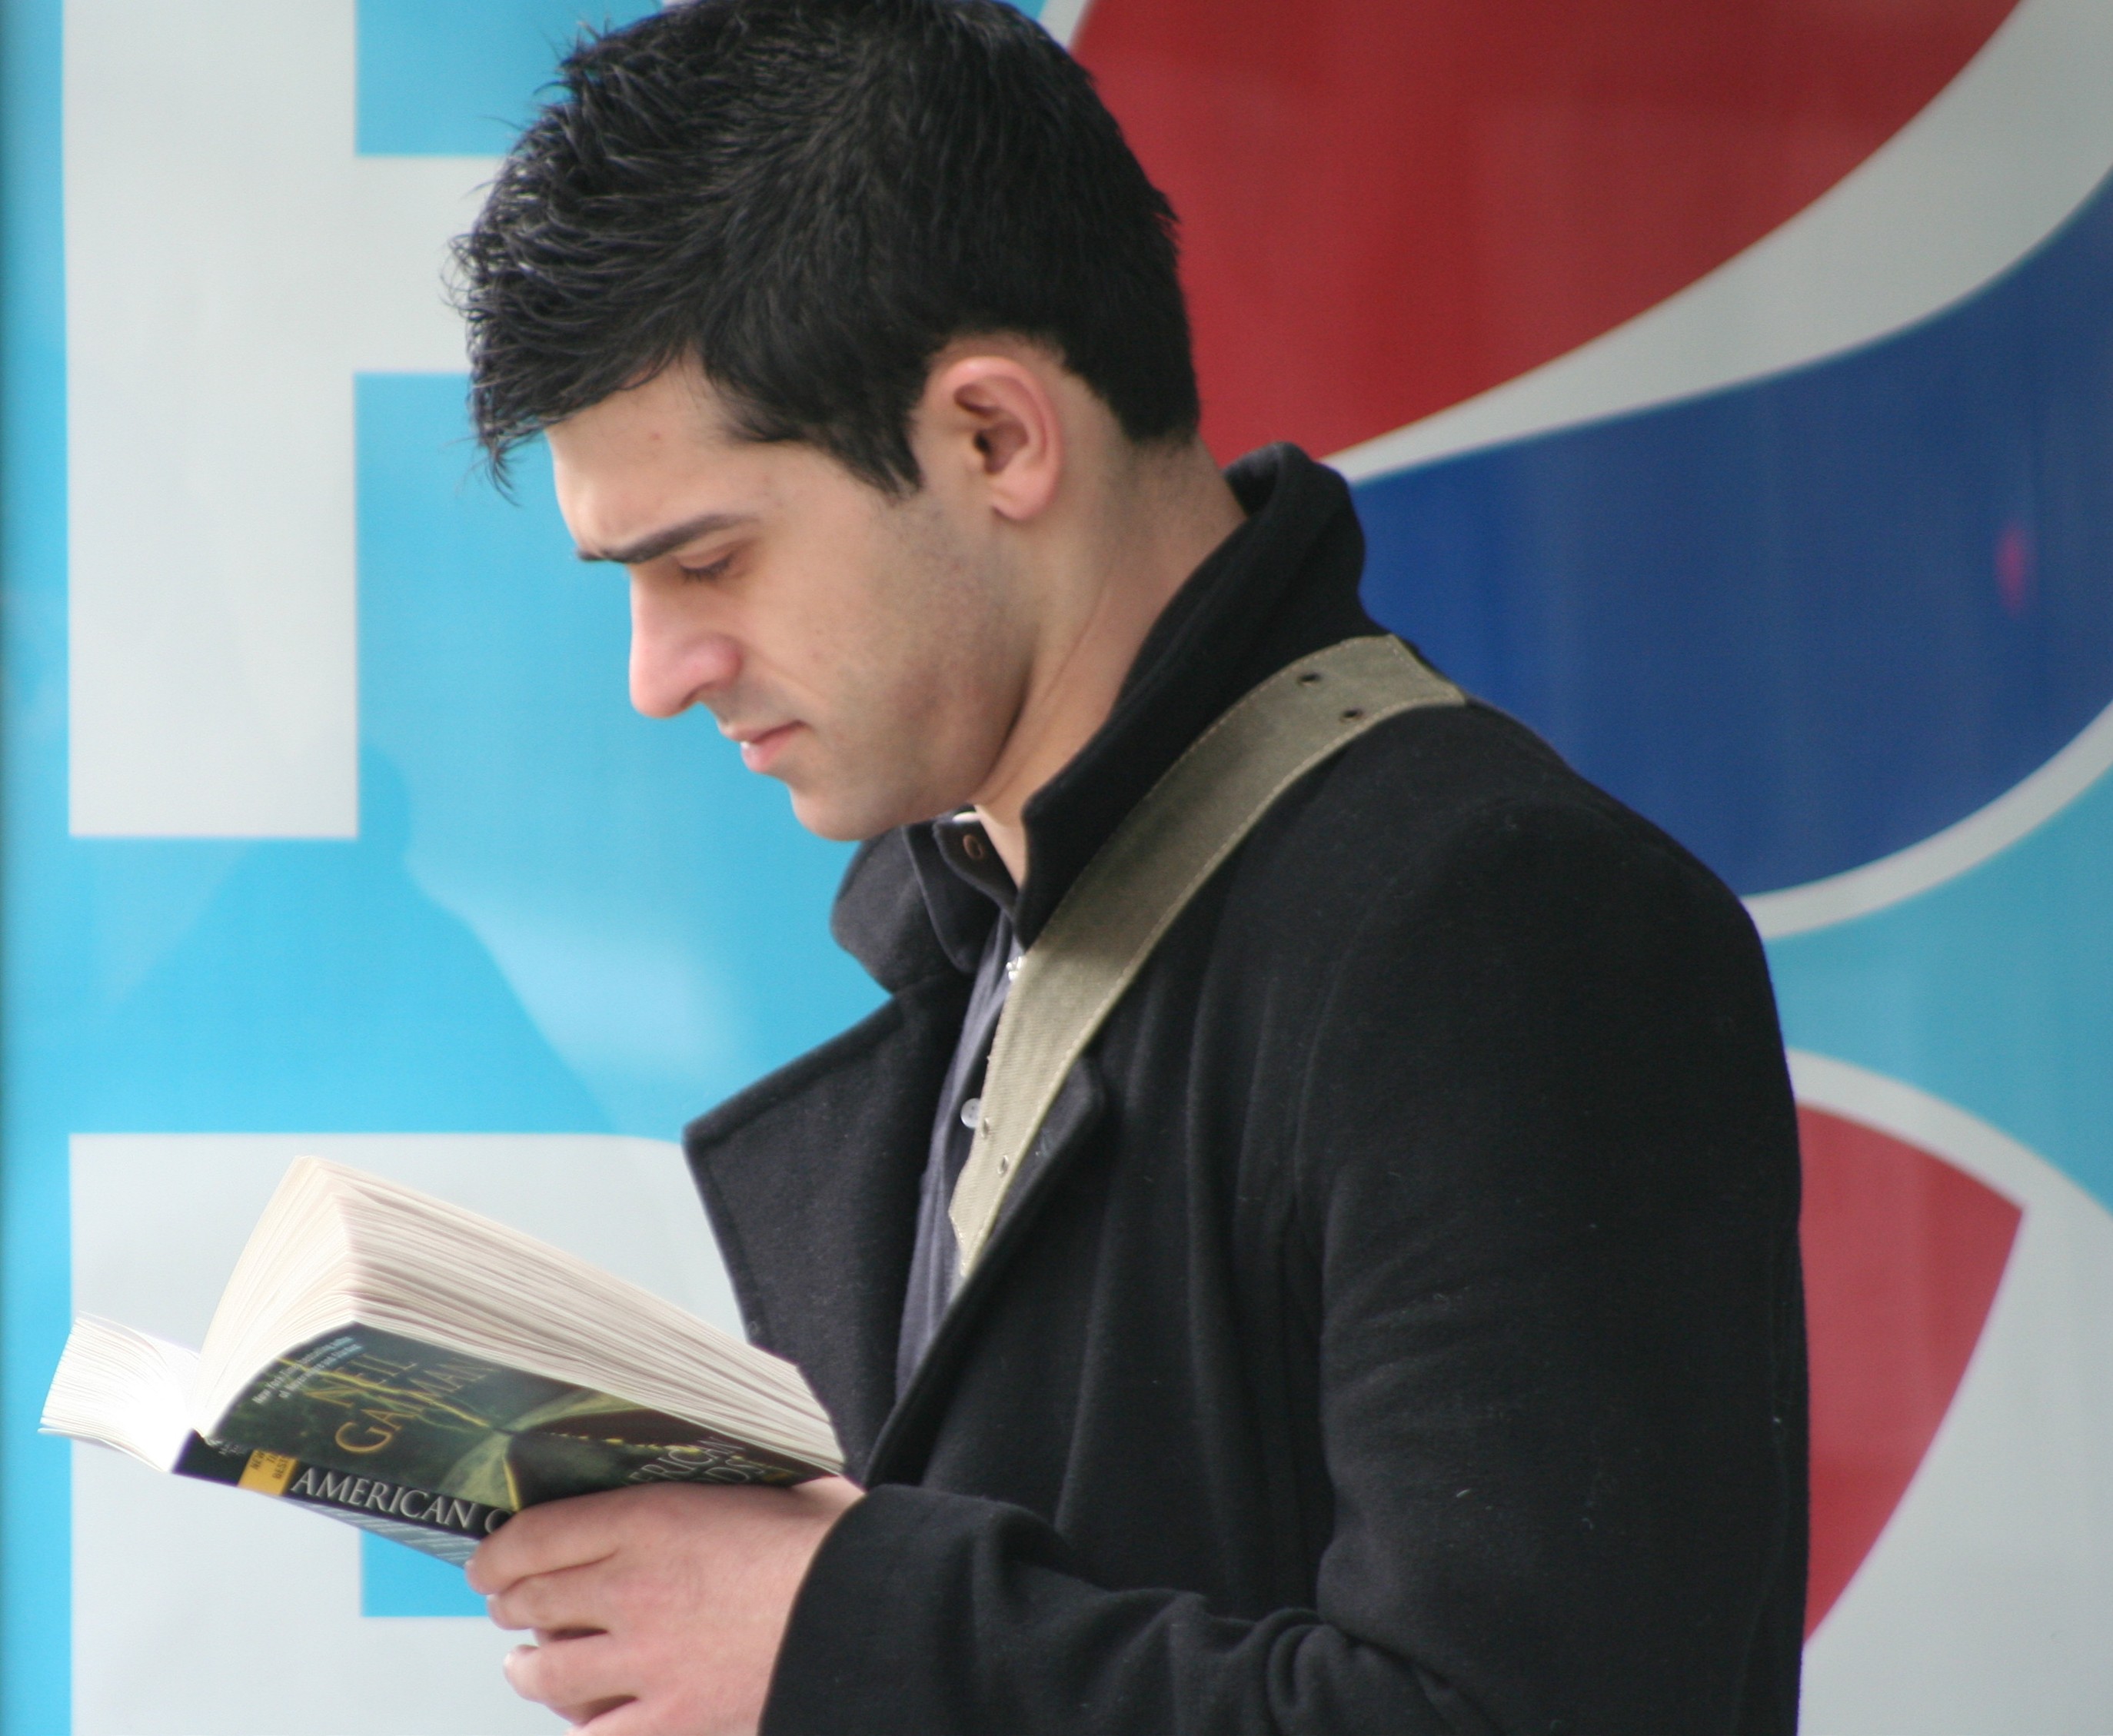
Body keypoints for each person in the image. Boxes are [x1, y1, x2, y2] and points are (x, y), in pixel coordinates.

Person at [452, 2, 1808, 1731]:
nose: (657, 672)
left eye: (708, 559)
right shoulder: (1008, 930)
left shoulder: (1511, 921)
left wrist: (841, 1634)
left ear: (998, 438)